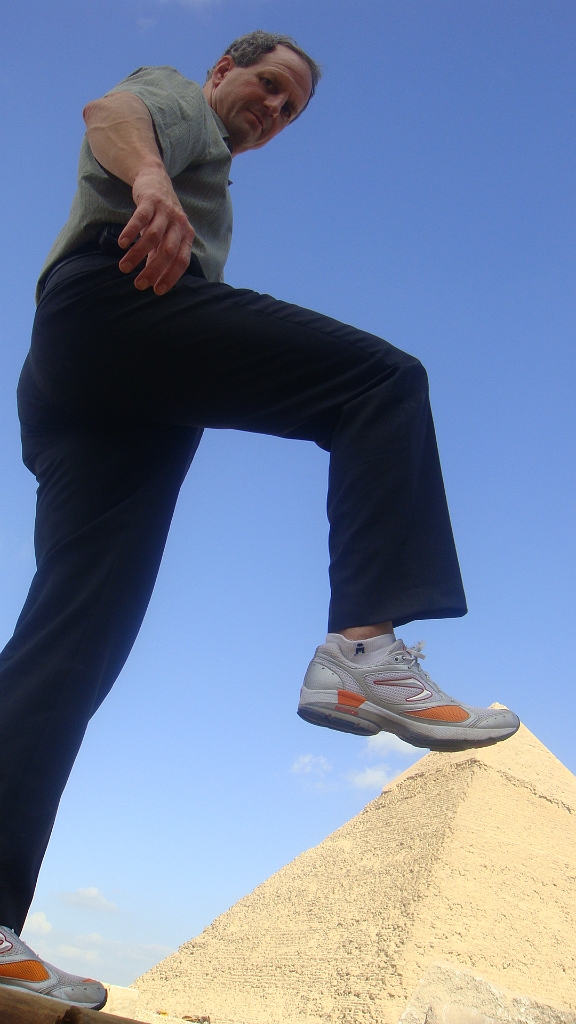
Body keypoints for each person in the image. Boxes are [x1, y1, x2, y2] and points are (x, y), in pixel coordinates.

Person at [0, 30, 519, 1010]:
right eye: (269, 86)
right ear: (222, 71)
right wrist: (150, 178)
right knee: (381, 384)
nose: (273, 110)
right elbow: (111, 112)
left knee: (68, 649)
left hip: (95, 386)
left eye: (291, 109)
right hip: (119, 307)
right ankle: (363, 651)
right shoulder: (177, 104)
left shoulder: (216, 176)